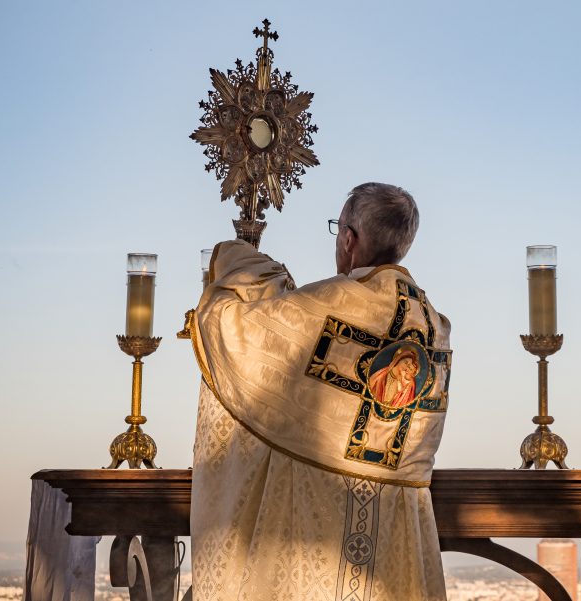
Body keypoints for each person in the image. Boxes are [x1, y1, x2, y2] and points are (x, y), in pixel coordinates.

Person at [188, 182, 452, 601]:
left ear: (349, 239)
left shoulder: (336, 300)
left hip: (315, 528)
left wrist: (240, 261)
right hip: (395, 533)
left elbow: (243, 330)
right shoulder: (433, 324)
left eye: (339, 230)